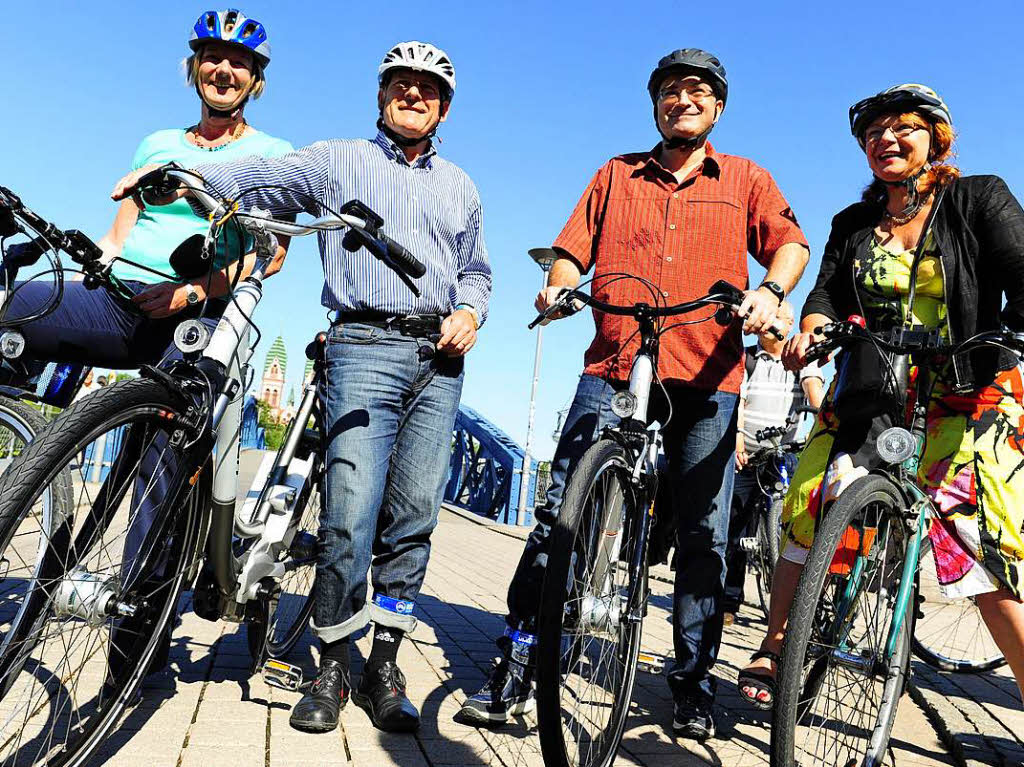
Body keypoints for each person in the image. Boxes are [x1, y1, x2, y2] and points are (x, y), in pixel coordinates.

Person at [115, 40, 491, 735]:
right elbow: (259, 176)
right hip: (362, 343)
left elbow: (476, 269)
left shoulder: (461, 186)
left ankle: (384, 662)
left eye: (428, 88)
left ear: (444, 106)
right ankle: (333, 662)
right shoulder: (335, 159)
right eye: (401, 84)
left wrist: (471, 309)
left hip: (438, 358)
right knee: (349, 510)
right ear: (382, 95)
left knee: (412, 520)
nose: (414, 95)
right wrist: (178, 170)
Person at [459, 48, 808, 740]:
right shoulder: (614, 174)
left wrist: (770, 291)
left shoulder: (745, 179)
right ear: (655, 104)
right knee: (562, 514)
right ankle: (519, 660)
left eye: (698, 91)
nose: (683, 99)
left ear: (718, 108)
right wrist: (558, 283)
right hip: (615, 364)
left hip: (708, 377)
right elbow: (571, 249)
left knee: (706, 535)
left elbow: (790, 244)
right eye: (671, 90)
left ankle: (692, 682)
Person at [739, 84, 1024, 710]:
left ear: (935, 139)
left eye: (903, 128)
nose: (885, 140)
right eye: (873, 134)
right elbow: (826, 297)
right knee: (815, 492)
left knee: (975, 539)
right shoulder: (852, 223)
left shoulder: (978, 198)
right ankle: (777, 642)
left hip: (970, 388)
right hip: (878, 386)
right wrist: (812, 332)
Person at [724, 301, 823, 625]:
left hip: (785, 451)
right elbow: (738, 397)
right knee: (736, 527)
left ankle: (786, 604)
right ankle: (728, 601)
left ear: (790, 322)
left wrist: (823, 413)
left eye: (778, 316)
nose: (769, 321)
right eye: (769, 314)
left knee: (789, 526)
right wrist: (737, 437)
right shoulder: (747, 357)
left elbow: (813, 386)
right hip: (747, 452)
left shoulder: (799, 358)